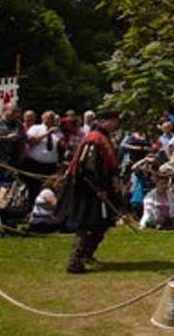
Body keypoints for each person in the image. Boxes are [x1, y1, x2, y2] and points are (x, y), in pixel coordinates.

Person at [57, 110, 123, 274]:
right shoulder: (94, 139)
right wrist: (99, 189)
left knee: (101, 223)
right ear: (104, 121)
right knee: (89, 224)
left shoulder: (103, 137)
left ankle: (87, 254)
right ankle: (75, 260)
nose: (115, 125)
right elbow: (88, 167)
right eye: (113, 121)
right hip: (89, 188)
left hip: (100, 186)